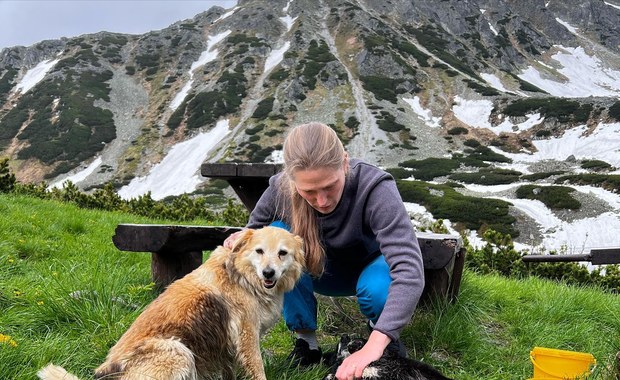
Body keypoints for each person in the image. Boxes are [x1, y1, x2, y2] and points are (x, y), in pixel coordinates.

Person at [223, 122, 425, 380]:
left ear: (344, 163)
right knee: (275, 234)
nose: (322, 201)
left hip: (368, 270)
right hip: (316, 272)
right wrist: (239, 240)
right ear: (291, 179)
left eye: (330, 186)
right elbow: (254, 234)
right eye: (308, 191)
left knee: (377, 290)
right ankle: (306, 343)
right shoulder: (279, 188)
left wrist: (372, 345)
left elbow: (409, 270)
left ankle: (381, 334)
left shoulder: (376, 188)